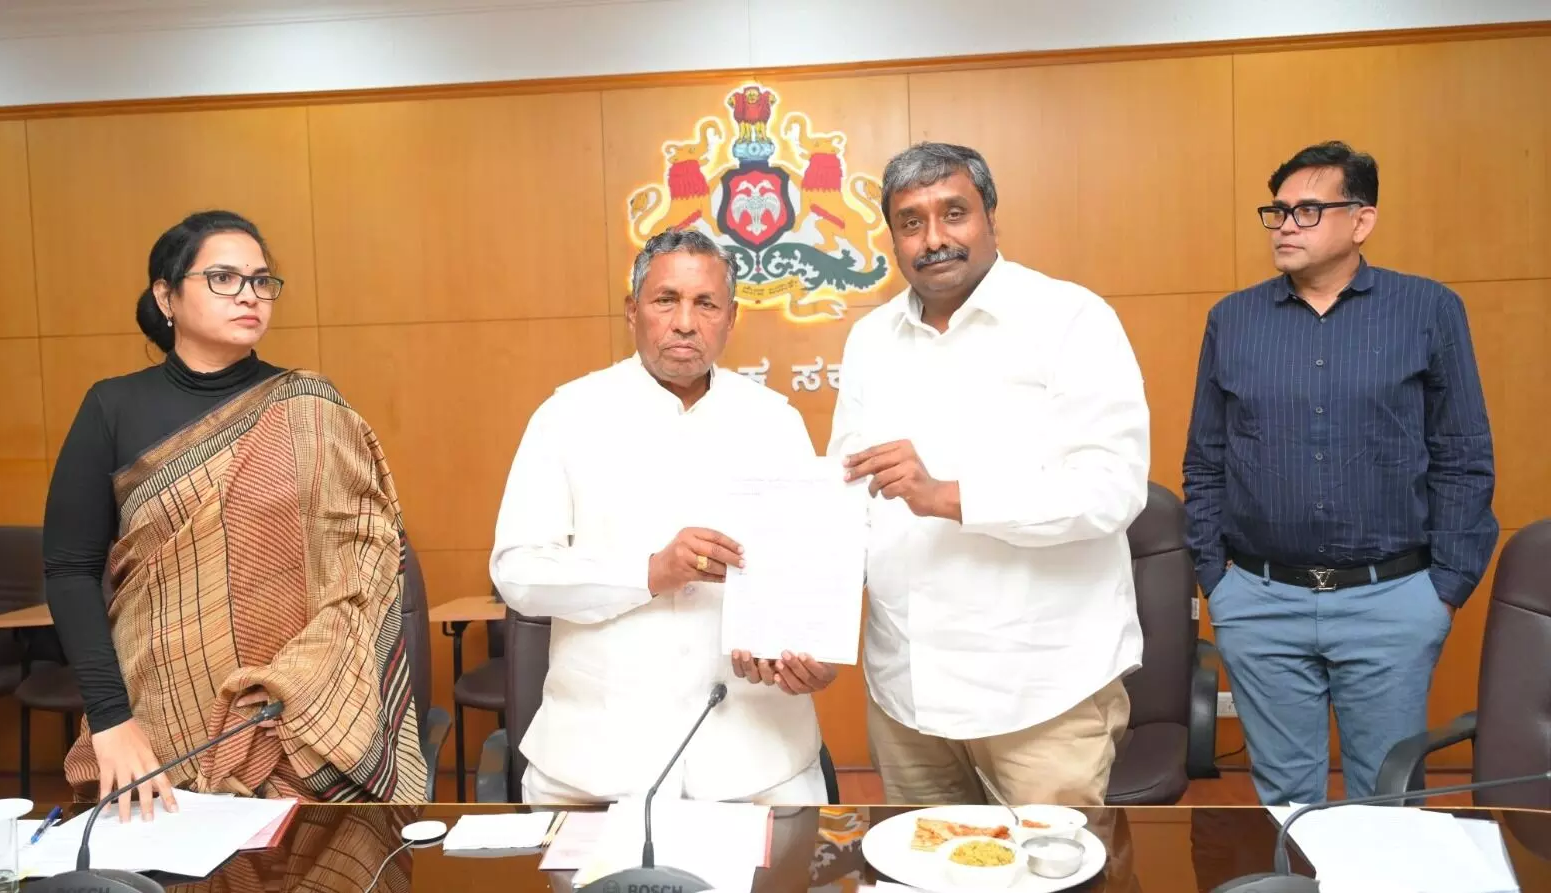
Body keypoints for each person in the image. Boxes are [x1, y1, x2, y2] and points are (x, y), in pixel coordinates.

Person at [43, 210, 428, 819]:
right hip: (155, 719)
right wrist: (112, 719)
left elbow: (368, 556)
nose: (249, 295)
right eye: (223, 278)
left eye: (261, 280)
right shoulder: (112, 407)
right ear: (166, 296)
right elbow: (68, 571)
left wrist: (305, 684)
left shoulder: (313, 410)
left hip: (297, 718)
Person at [828, 142, 1149, 806]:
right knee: (919, 861)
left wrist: (948, 496)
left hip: (1040, 694)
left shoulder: (1071, 319)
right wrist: (795, 621)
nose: (933, 239)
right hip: (907, 695)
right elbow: (850, 500)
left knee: (1053, 864)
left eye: (954, 213)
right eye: (911, 222)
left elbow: (1111, 487)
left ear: (991, 216)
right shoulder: (870, 340)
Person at [1182, 141, 1497, 804]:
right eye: (1277, 211)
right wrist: (1218, 580)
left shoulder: (1428, 310)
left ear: (1361, 220)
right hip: (1260, 600)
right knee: (1286, 804)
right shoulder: (1232, 320)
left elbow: (1463, 453)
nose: (1285, 225)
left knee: (1386, 799)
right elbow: (1205, 460)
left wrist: (1445, 589)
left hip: (1392, 598)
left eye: (1307, 210)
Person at [491, 228, 835, 805]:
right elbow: (518, 572)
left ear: (731, 318)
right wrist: (649, 572)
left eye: (706, 304)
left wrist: (814, 655)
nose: (685, 322)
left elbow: (809, 571)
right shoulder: (567, 415)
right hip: (596, 762)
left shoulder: (776, 421)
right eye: (666, 300)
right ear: (633, 311)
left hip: (758, 758)